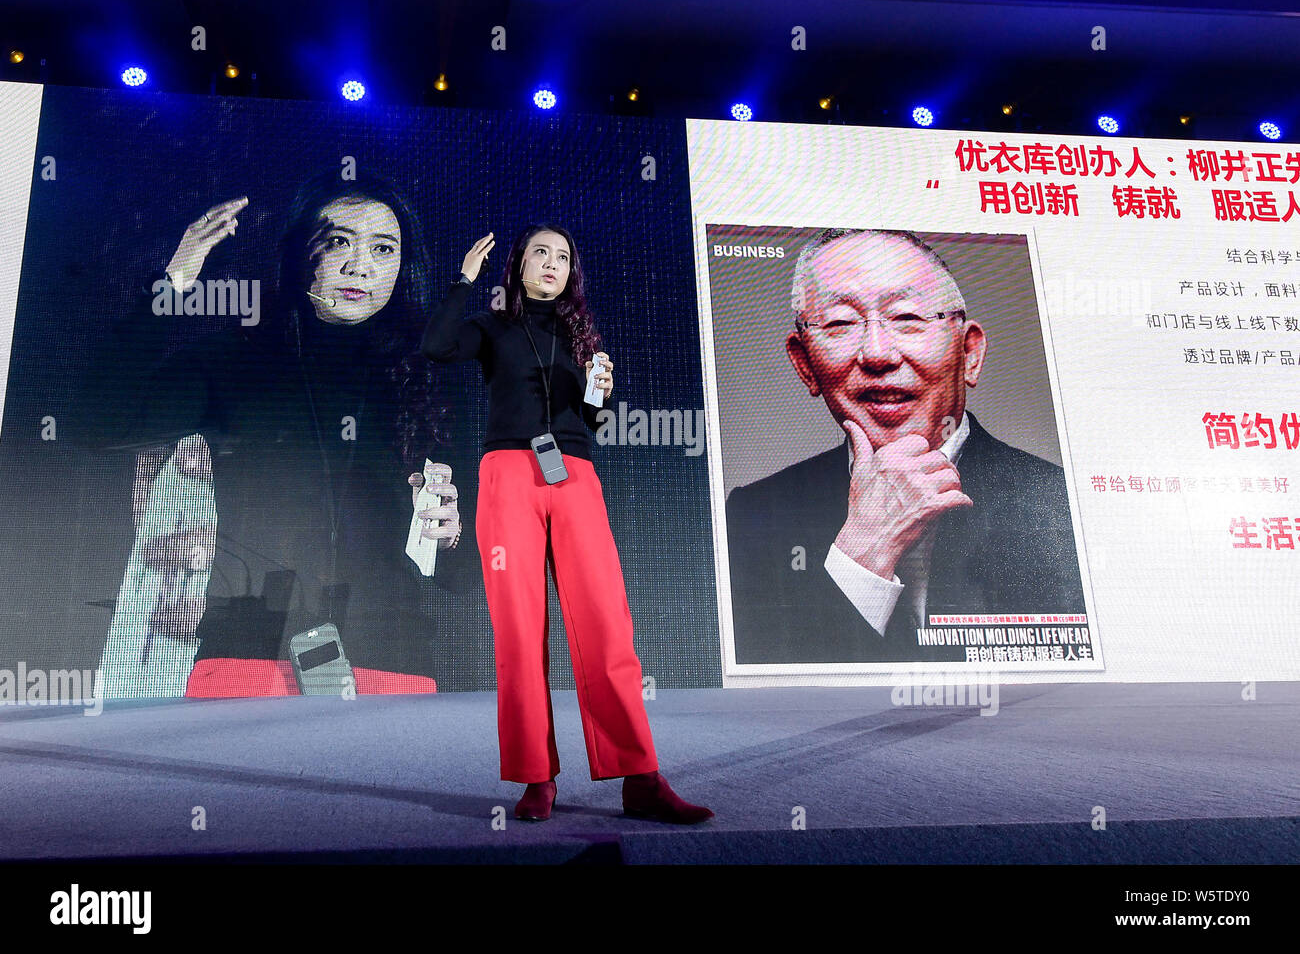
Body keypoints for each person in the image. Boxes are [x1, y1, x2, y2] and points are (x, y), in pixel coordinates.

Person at [78, 172, 480, 696]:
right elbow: (97, 424)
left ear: (404, 268)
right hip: (246, 659)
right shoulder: (238, 357)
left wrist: (451, 534)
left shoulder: (431, 378)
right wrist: (171, 283)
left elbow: (465, 576)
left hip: (389, 660)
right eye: (338, 242)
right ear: (298, 253)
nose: (360, 265)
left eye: (384, 248)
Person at [423, 225, 713, 823]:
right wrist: (462, 283)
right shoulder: (493, 326)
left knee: (606, 624)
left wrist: (599, 398)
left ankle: (640, 777)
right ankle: (536, 779)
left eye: (562, 256)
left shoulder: (583, 338)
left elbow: (594, 426)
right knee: (519, 633)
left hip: (574, 477)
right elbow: (436, 345)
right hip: (508, 476)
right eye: (540, 253)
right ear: (519, 266)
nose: (551, 263)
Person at [725, 228, 1086, 664]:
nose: (878, 354)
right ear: (805, 366)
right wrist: (864, 550)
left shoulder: (1063, 505)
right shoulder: (754, 517)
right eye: (840, 323)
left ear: (969, 353)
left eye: (907, 318)